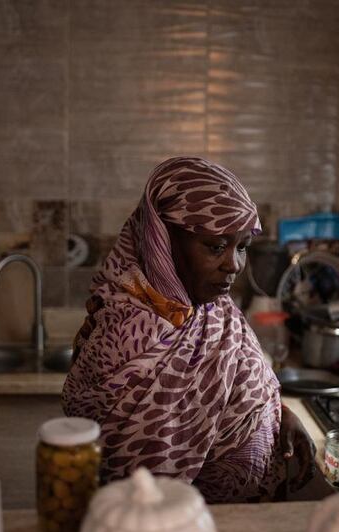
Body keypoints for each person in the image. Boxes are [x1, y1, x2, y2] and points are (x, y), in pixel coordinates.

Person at [62, 156, 315, 503]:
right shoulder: (125, 334)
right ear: (162, 239)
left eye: (241, 246)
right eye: (215, 246)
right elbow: (138, 480)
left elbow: (234, 388)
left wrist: (279, 413)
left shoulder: (212, 307)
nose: (234, 264)